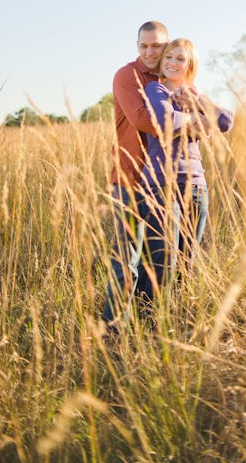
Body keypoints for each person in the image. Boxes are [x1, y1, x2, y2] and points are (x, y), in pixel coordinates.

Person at [137, 38, 233, 303]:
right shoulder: (156, 90)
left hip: (196, 185)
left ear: (190, 64)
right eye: (168, 57)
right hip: (161, 184)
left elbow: (226, 121)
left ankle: (177, 322)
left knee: (187, 262)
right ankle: (148, 324)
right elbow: (166, 120)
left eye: (180, 59)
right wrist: (200, 119)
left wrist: (197, 99)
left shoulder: (195, 95)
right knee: (163, 261)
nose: (172, 63)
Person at [104, 20, 169, 327]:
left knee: (157, 263)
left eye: (156, 45)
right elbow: (142, 120)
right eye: (144, 45)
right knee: (125, 263)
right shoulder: (126, 76)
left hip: (162, 183)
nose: (150, 51)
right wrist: (191, 121)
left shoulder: (172, 78)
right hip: (128, 181)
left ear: (166, 45)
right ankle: (113, 334)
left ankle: (145, 330)